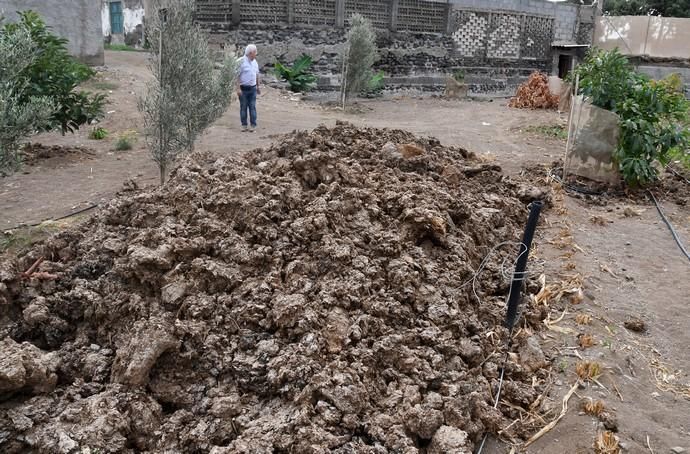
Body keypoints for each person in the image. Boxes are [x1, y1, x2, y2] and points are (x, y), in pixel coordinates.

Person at [237, 44, 260, 132]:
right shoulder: (240, 62)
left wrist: (258, 86)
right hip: (243, 88)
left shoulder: (255, 62)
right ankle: (244, 125)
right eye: (255, 52)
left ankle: (253, 125)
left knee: (252, 106)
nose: (256, 54)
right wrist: (237, 88)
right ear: (250, 53)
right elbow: (237, 76)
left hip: (253, 88)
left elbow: (257, 74)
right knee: (243, 107)